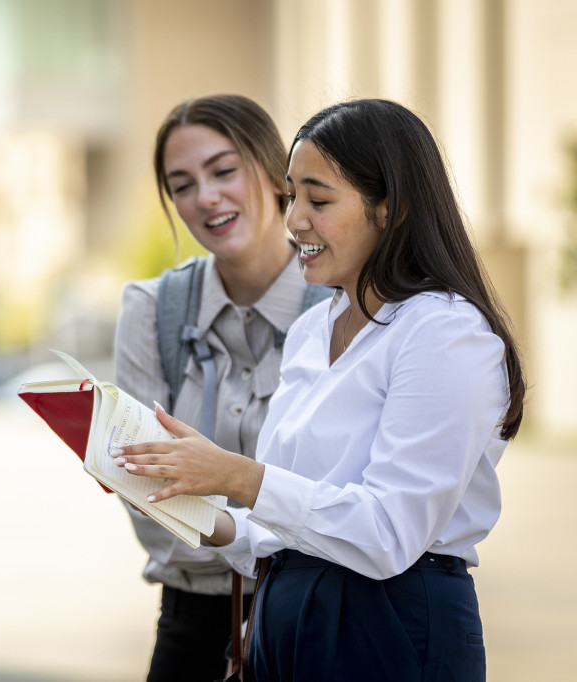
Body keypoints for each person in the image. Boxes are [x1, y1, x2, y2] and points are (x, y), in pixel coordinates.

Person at [112, 98, 525, 681]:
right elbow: (283, 526)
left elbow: (387, 533)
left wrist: (234, 475)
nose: (294, 219)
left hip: (389, 629)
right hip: (287, 626)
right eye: (294, 196)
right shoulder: (314, 327)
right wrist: (176, 487)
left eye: (319, 199)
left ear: (392, 208)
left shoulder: (444, 331)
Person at [113, 94, 328, 682]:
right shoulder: (151, 310)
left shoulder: (343, 305)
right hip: (192, 621)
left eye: (223, 170)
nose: (204, 197)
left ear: (274, 171)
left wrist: (208, 503)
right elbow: (145, 497)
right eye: (181, 184)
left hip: (320, 613)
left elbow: (357, 493)